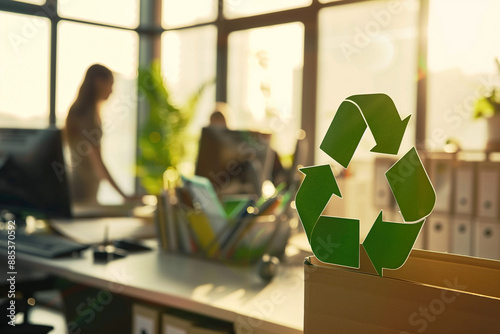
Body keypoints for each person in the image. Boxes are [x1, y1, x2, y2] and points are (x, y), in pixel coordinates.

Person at [65, 64, 135, 204]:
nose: (112, 91)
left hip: (84, 189)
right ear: (98, 82)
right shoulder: (86, 116)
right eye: (110, 85)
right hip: (82, 191)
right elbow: (98, 165)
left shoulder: (83, 111)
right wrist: (125, 196)